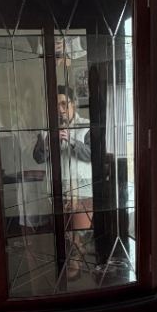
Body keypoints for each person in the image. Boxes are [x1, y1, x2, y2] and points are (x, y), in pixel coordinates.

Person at [33, 85, 93, 276]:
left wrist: (73, 141)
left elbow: (93, 155)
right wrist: (49, 141)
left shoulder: (87, 125)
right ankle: (67, 258)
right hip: (56, 190)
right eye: (55, 105)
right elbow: (38, 158)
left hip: (83, 190)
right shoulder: (46, 130)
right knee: (62, 232)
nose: (60, 109)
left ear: (73, 104)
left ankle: (76, 256)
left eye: (63, 104)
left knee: (79, 232)